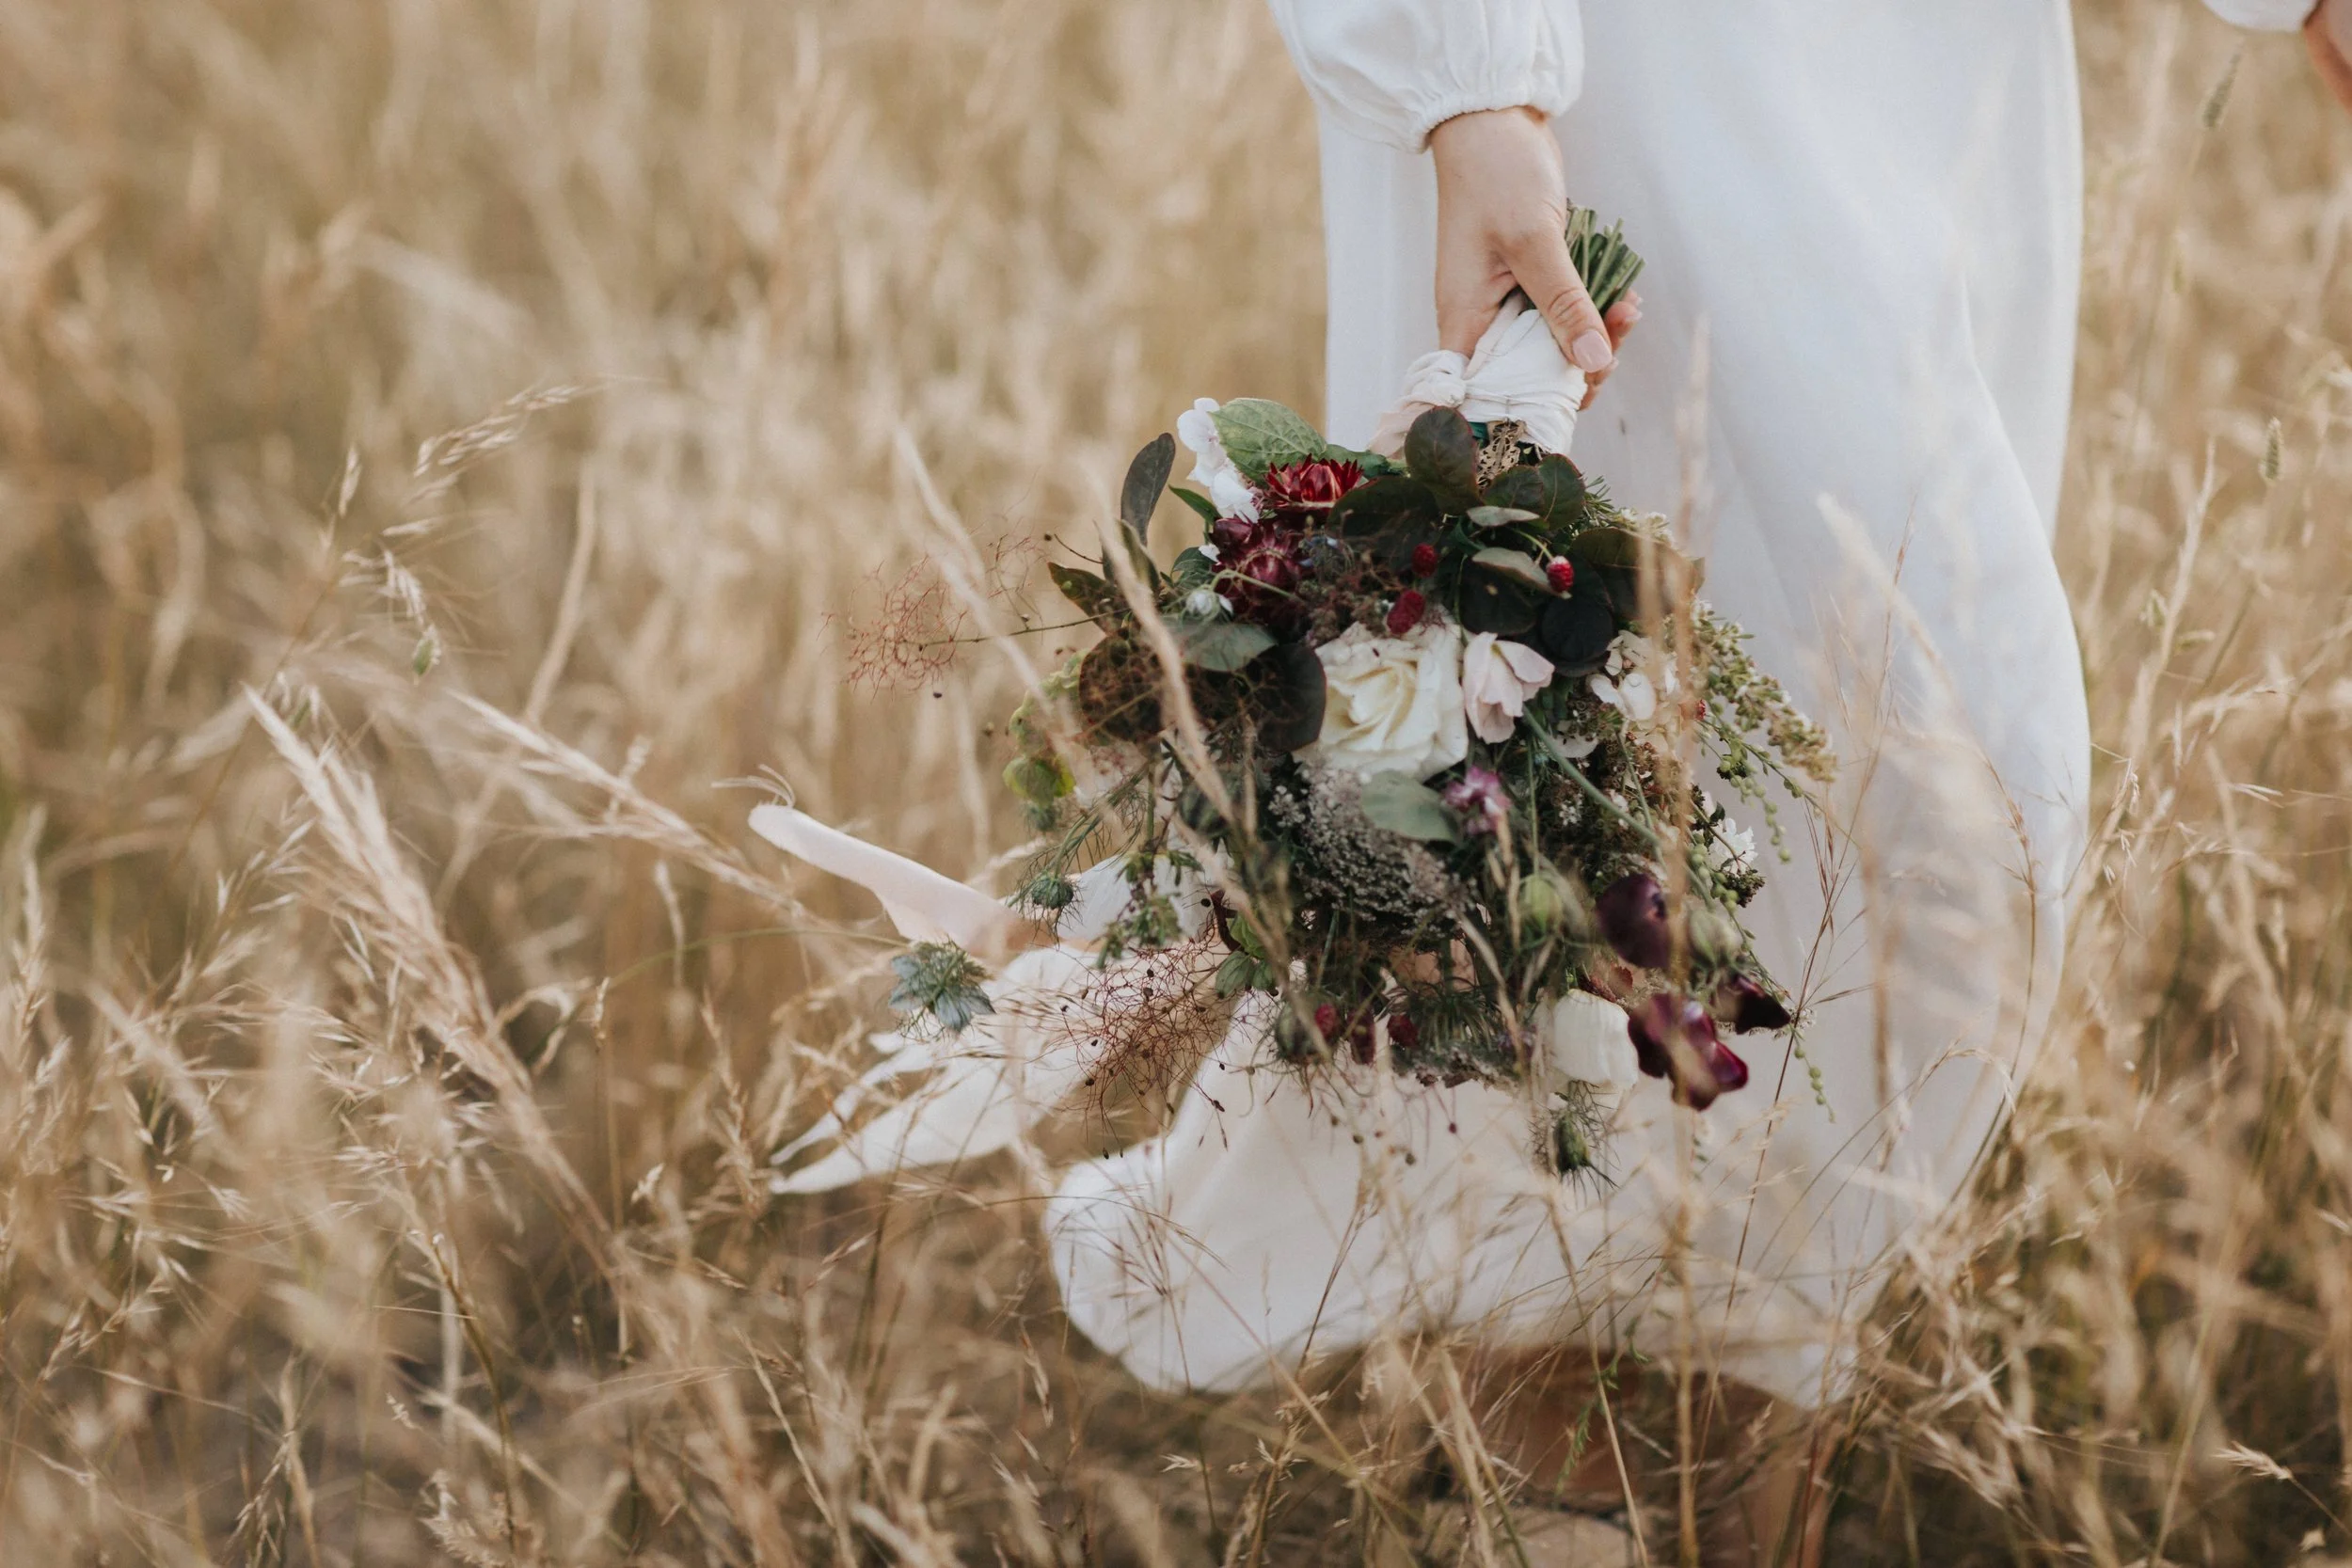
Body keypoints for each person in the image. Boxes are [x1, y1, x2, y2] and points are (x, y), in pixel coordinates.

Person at [1043, 3, 2352, 1561]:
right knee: (1594, 892)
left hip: (1921, 73)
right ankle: (1572, 1492)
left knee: (1889, 867)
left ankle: (1723, 1486)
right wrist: (1472, 89)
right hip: (1601, 78)